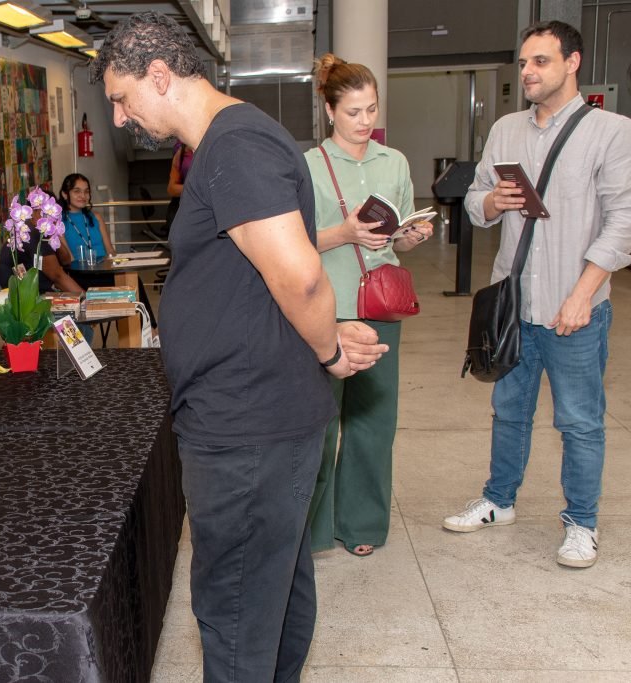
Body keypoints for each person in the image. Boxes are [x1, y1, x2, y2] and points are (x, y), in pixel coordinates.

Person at [91, 12, 387, 680]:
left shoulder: (234, 147)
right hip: (259, 413)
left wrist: (328, 350)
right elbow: (266, 275)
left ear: (160, 75)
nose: (118, 117)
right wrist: (319, 333)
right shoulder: (235, 142)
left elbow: (304, 277)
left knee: (233, 616)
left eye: (121, 97)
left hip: (247, 428)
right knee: (273, 590)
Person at [444, 21, 631, 569]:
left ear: (572, 63)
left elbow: (625, 222)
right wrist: (492, 202)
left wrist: (582, 295)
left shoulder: (612, 130)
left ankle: (582, 522)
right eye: (524, 62)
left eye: (541, 62)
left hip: (575, 308)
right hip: (515, 303)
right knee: (508, 411)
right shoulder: (506, 129)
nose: (527, 72)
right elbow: (474, 202)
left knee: (579, 420)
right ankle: (499, 500)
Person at [303, 55, 434, 558]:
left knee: (373, 421)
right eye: (354, 111)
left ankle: (362, 522)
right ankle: (313, 529)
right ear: (330, 110)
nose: (365, 121)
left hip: (380, 305)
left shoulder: (393, 162)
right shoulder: (310, 166)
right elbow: (292, 243)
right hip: (326, 306)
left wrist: (408, 236)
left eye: (372, 109)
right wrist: (345, 232)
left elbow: (392, 240)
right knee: (320, 421)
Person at [54, 173, 158, 330]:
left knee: (134, 282)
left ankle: (149, 332)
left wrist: (120, 264)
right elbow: (68, 259)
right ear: (64, 194)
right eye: (77, 191)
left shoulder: (95, 216)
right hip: (82, 277)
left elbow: (110, 251)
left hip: (105, 271)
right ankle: (139, 333)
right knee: (127, 292)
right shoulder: (58, 222)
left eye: (86, 191)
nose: (83, 196)